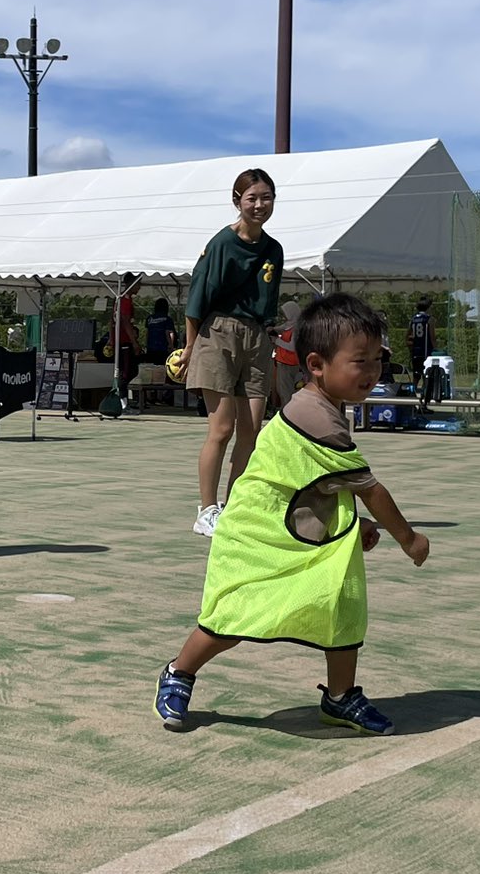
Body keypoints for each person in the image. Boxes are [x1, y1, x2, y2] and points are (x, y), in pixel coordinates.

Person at [154, 293, 431, 734]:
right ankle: (179, 672)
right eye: (360, 361)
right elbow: (370, 490)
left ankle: (341, 697)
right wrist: (410, 540)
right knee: (234, 617)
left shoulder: (325, 407)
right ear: (317, 365)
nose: (373, 371)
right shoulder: (316, 417)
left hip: (296, 533)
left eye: (378, 360)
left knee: (341, 605)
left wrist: (349, 524)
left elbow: (311, 481)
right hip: (259, 536)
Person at [185, 168, 285, 537]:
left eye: (266, 198)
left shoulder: (274, 249)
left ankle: (234, 506)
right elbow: (197, 299)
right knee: (222, 428)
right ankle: (206, 510)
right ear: (237, 201)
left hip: (257, 337)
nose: (259, 205)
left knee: (252, 430)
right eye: (252, 198)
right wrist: (190, 347)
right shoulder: (222, 244)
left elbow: (268, 302)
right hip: (218, 333)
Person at [406, 298, 436, 386]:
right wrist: (435, 348)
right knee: (426, 374)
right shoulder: (429, 319)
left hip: (416, 350)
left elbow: (407, 335)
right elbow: (432, 336)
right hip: (426, 350)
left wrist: (410, 347)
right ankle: (425, 391)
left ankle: (413, 391)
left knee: (416, 375)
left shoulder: (413, 319)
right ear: (428, 307)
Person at [144, 297, 176, 364]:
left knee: (151, 367)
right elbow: (169, 333)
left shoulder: (149, 318)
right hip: (163, 348)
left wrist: (146, 344)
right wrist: (171, 345)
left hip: (151, 348)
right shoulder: (167, 319)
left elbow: (147, 333)